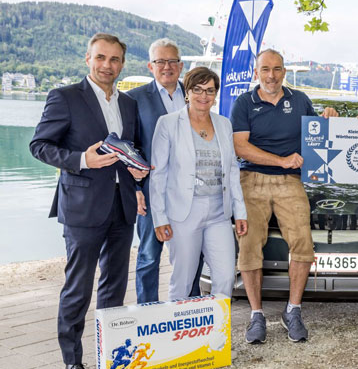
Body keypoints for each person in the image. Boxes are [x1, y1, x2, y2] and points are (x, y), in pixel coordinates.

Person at [30, 33, 149, 369]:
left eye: (114, 60)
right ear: (88, 59)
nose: (107, 65)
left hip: (122, 206)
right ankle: (73, 361)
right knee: (78, 287)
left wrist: (138, 171)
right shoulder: (65, 97)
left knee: (114, 286)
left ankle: (111, 355)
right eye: (101, 58)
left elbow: (133, 147)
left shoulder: (128, 104)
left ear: (122, 64)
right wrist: (82, 159)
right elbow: (40, 146)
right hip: (82, 207)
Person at [232, 49, 337, 344]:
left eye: (277, 69)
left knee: (303, 242)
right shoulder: (244, 103)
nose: (271, 75)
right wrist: (280, 160)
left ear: (284, 73)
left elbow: (318, 135)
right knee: (250, 243)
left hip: (291, 181)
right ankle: (256, 315)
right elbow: (240, 147)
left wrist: (333, 120)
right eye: (265, 69)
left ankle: (293, 310)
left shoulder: (300, 100)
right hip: (251, 179)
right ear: (256, 73)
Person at [149, 67, 247, 300]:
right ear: (187, 92)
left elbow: (232, 170)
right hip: (183, 212)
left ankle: (215, 334)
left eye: (210, 91)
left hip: (218, 212)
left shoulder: (224, 124)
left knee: (224, 277)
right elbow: (158, 174)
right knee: (183, 279)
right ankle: (179, 333)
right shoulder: (168, 123)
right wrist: (159, 217)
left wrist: (240, 211)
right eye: (198, 90)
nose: (204, 96)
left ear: (216, 95)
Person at [127, 38, 203, 303]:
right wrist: (135, 189)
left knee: (193, 253)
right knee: (149, 254)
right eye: (161, 61)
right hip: (151, 192)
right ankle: (147, 313)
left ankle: (191, 309)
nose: (167, 67)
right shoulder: (133, 99)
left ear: (181, 65)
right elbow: (129, 148)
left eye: (172, 61)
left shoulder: (196, 96)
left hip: (192, 192)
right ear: (151, 65)